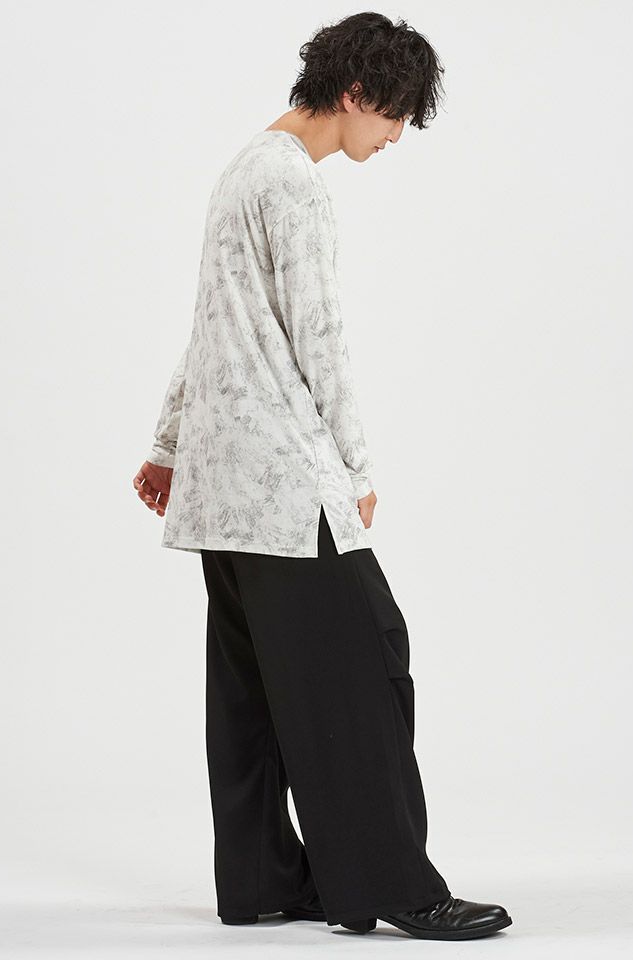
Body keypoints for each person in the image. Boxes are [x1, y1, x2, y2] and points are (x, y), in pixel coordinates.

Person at [133, 11, 512, 941]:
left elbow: (212, 322)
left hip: (224, 487)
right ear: (355, 93)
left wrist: (171, 445)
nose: (396, 136)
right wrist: (354, 466)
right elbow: (319, 335)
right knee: (365, 668)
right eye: (395, 116)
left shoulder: (241, 168)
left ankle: (267, 880)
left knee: (256, 690)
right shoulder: (294, 185)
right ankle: (394, 886)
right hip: (281, 478)